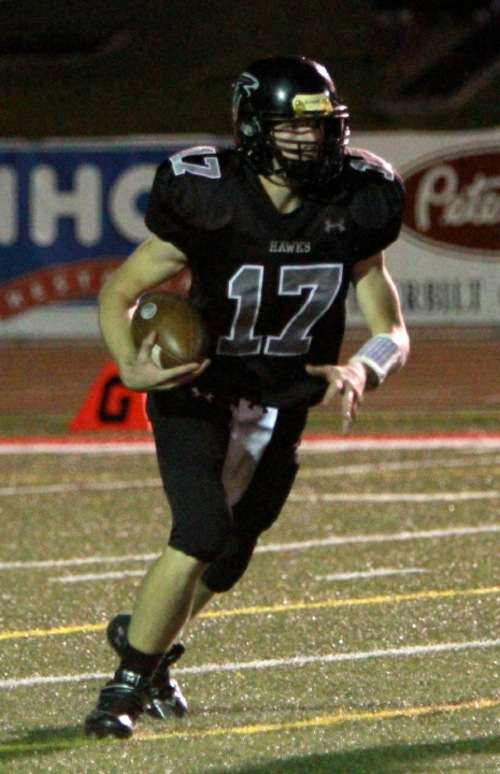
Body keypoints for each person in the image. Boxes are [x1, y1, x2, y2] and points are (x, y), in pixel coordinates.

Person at [84, 55, 410, 739]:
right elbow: (120, 291)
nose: (312, 143)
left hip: (283, 398)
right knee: (200, 530)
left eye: (321, 129)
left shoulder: (356, 202)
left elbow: (392, 332)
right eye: (295, 129)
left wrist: (365, 368)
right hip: (199, 386)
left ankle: (150, 642)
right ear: (256, 129)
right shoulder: (212, 197)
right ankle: (125, 687)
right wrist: (129, 367)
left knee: (228, 563)